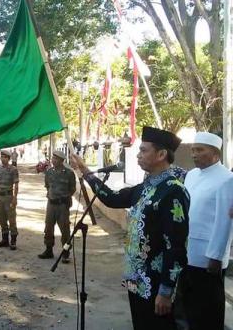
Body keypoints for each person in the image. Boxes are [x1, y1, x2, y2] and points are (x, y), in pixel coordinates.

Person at [70, 126, 189, 330]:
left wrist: (166, 290)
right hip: (136, 278)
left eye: (143, 150)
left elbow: (176, 247)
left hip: (156, 284)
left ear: (161, 154)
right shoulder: (146, 186)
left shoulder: (173, 191)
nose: (138, 155)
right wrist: (85, 170)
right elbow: (112, 199)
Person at [181, 132, 233, 330]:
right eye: (193, 150)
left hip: (208, 256)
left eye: (200, 150)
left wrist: (216, 256)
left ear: (215, 155)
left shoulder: (227, 179)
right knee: (189, 309)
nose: (194, 154)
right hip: (187, 251)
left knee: (208, 310)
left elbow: (225, 222)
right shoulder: (192, 175)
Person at [38, 150, 76, 263]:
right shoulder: (49, 172)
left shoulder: (69, 173)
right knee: (48, 228)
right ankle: (48, 250)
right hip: (51, 204)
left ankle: (66, 253)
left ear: (61, 160)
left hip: (62, 205)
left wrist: (64, 197)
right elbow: (47, 186)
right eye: (53, 158)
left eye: (56, 158)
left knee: (65, 230)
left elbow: (72, 189)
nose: (53, 160)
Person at [0, 150, 19, 250]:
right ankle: (5, 240)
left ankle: (13, 240)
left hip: (9, 197)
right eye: (1, 157)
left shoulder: (13, 169)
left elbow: (16, 185)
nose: (2, 158)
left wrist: (15, 198)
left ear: (9, 158)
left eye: (5, 157)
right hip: (1, 197)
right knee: (2, 219)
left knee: (12, 219)